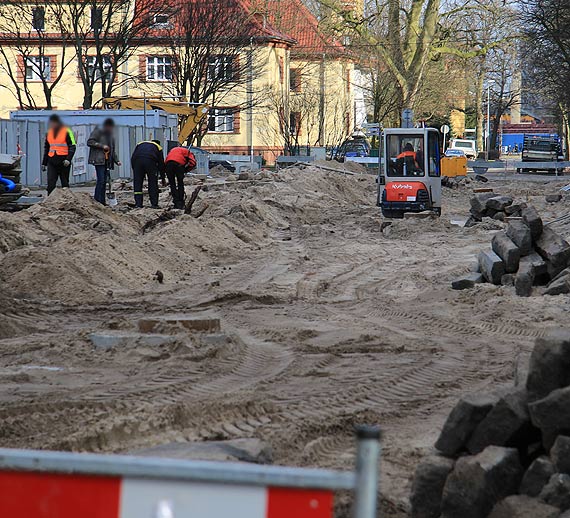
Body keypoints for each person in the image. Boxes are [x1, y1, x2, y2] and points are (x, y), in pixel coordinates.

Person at [87, 118, 121, 205]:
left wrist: (117, 161)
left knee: (104, 181)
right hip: (99, 160)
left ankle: (102, 201)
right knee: (101, 180)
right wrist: (102, 146)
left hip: (106, 161)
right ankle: (97, 200)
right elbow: (90, 142)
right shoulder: (98, 132)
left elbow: (112, 150)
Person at [42, 114, 76, 195]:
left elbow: (72, 146)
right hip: (52, 160)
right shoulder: (49, 133)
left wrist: (68, 159)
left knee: (64, 183)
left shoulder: (67, 132)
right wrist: (44, 163)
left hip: (63, 161)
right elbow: (47, 148)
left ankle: (67, 200)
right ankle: (50, 200)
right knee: (51, 183)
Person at [131, 139, 165, 208]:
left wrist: (135, 170)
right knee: (152, 183)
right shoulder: (158, 147)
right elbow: (161, 163)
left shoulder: (140, 143)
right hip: (150, 161)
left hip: (137, 161)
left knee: (137, 183)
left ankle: (138, 204)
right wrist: (163, 178)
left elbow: (133, 157)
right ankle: (154, 204)